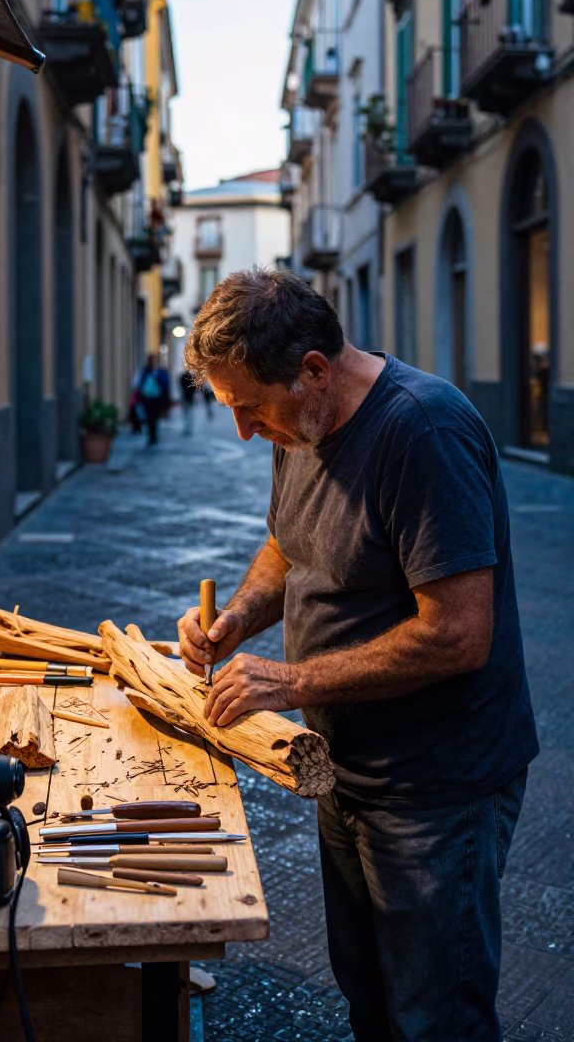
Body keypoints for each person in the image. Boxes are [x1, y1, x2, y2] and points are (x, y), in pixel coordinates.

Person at [177, 268, 538, 1042]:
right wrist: (237, 617)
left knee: (436, 1017)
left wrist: (293, 680)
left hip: (436, 787)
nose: (243, 431)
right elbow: (288, 545)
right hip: (344, 770)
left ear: (313, 369)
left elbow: (458, 633)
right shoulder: (298, 423)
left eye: (249, 408)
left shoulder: (423, 432)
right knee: (370, 997)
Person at [136, 354, 169, 446]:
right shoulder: (146, 372)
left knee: (154, 418)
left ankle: (153, 436)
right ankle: (151, 436)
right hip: (148, 398)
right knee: (150, 418)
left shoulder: (158, 372)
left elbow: (165, 384)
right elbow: (140, 384)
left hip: (155, 398)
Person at [180, 370, 197, 436]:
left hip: (189, 399)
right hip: (185, 399)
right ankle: (186, 427)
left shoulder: (191, 378)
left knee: (189, 414)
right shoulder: (183, 378)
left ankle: (189, 428)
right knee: (186, 414)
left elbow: (194, 389)